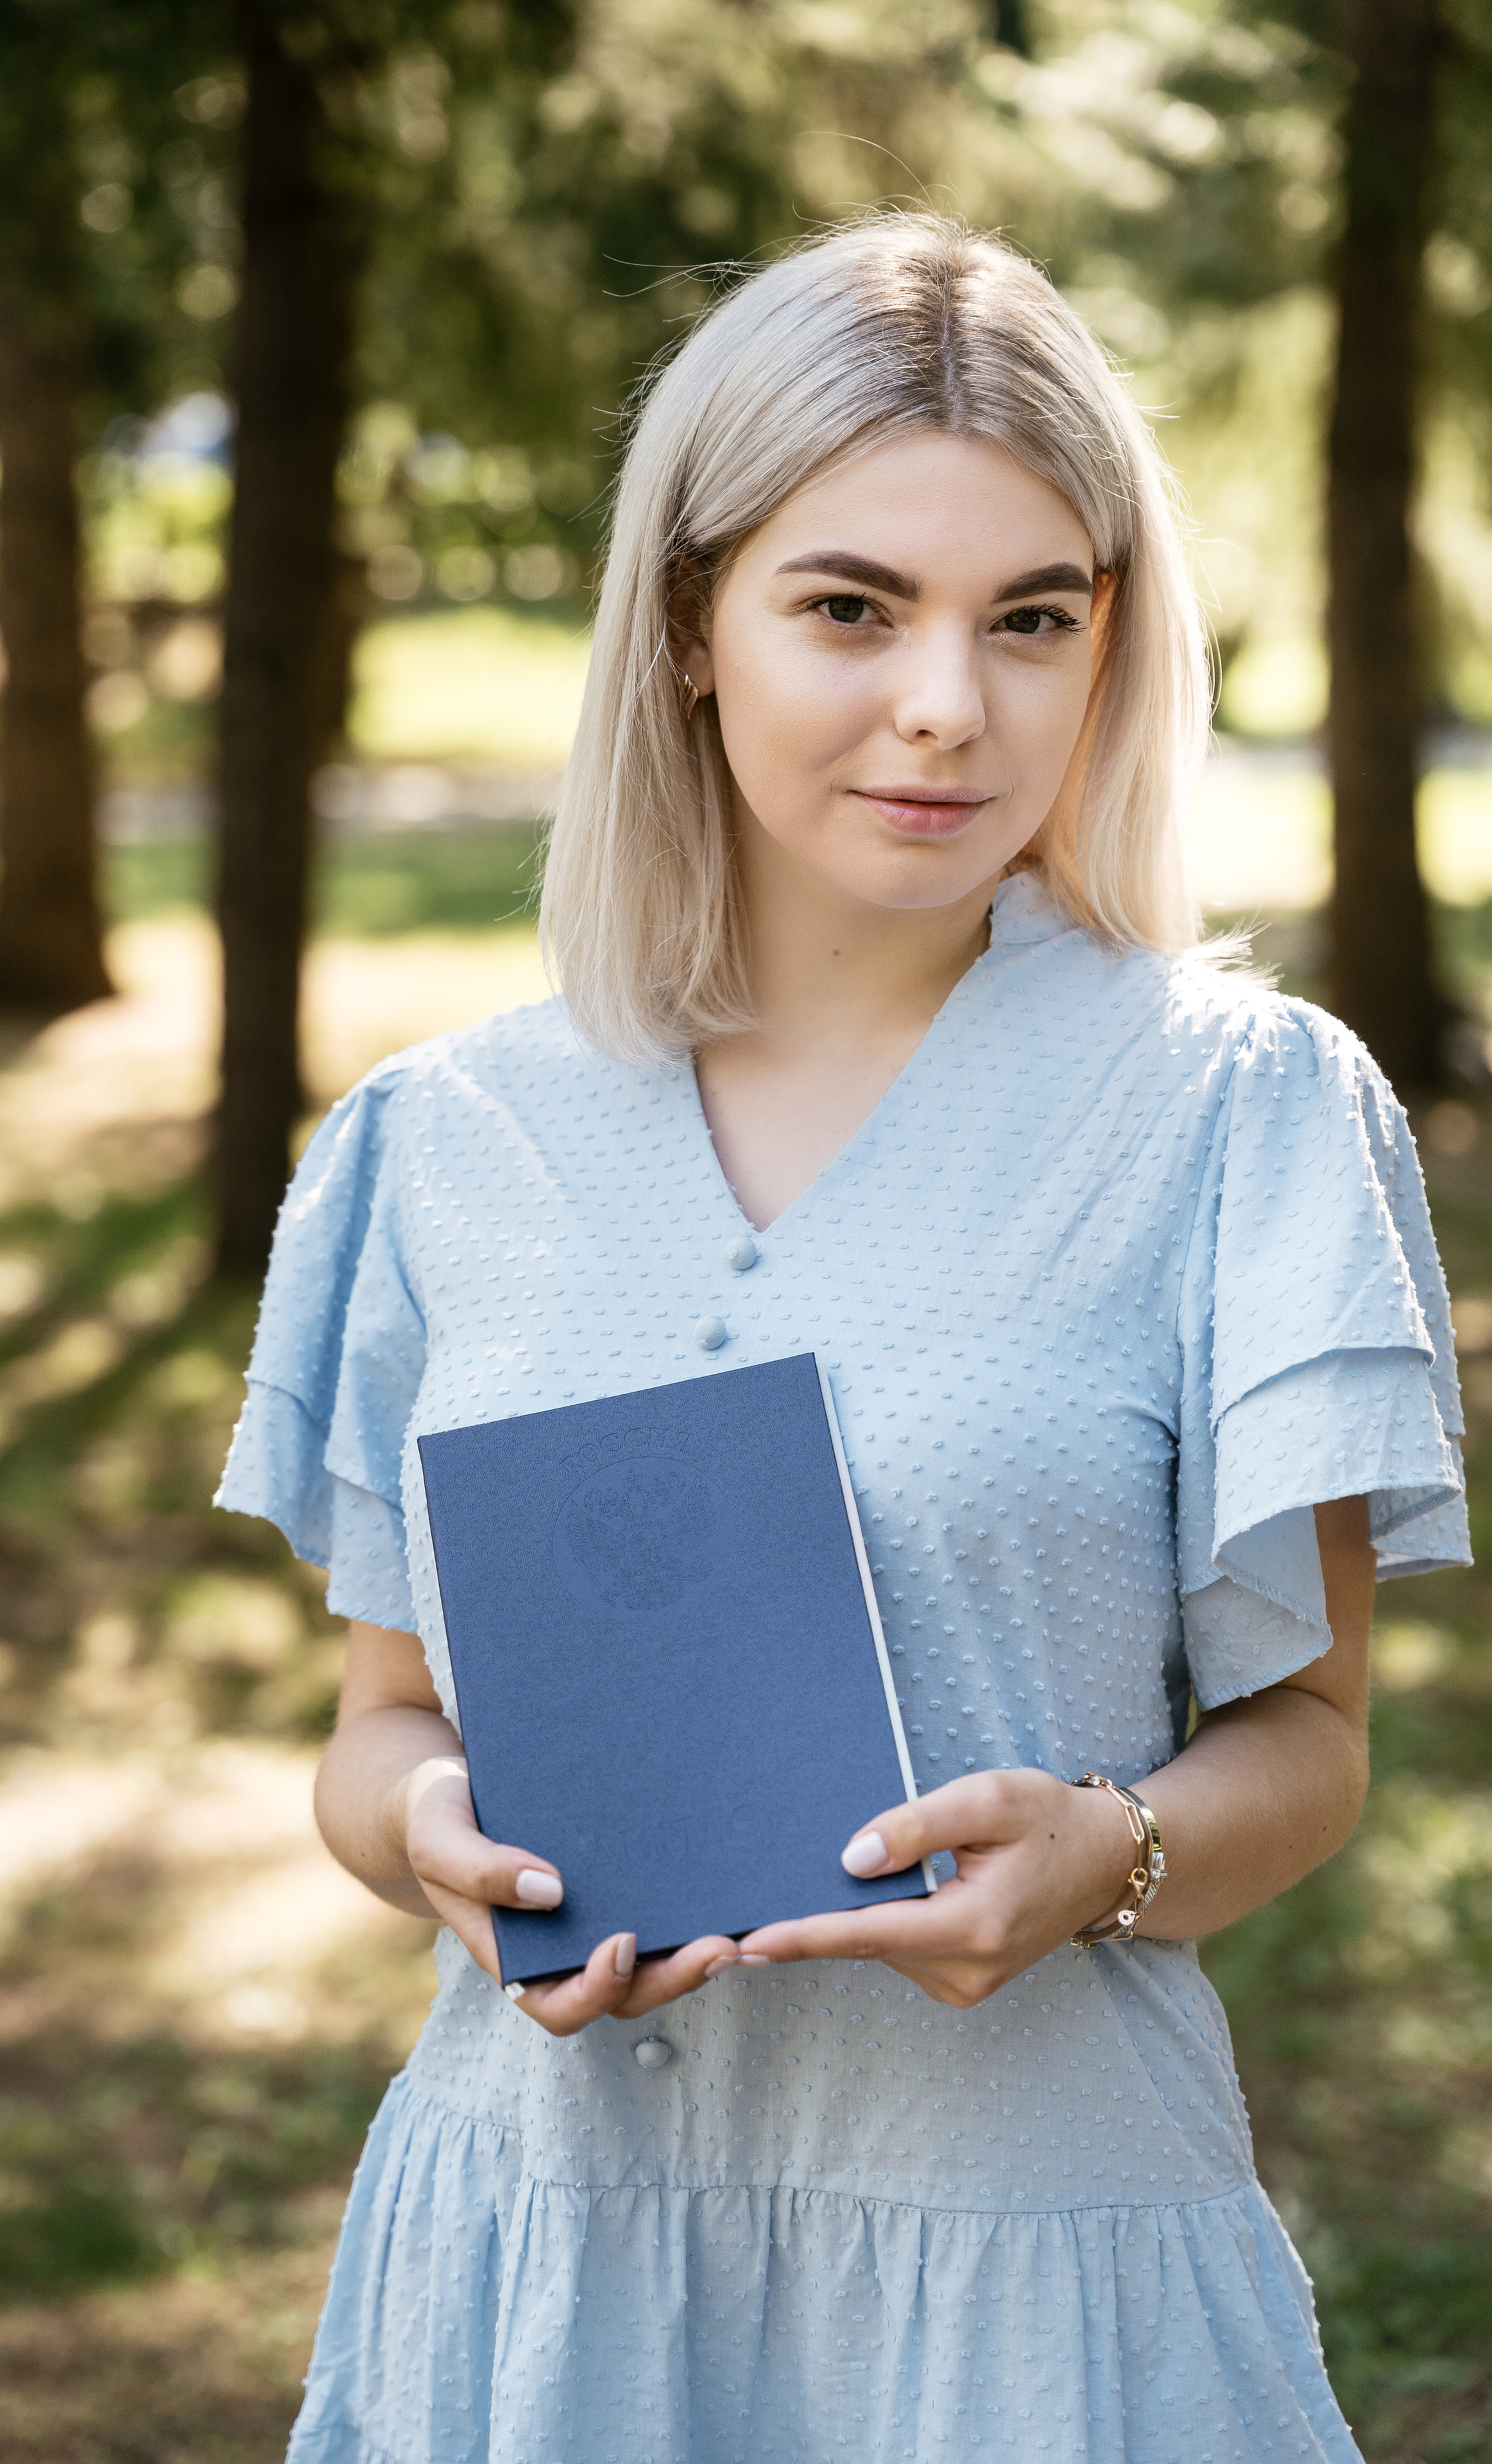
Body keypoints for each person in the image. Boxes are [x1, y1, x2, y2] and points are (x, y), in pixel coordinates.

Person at [217, 213, 1470, 2463]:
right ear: (690, 625)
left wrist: (1115, 1851)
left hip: (1033, 2280)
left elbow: (1312, 1744)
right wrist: (430, 1832)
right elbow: (379, 1722)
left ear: (1113, 647)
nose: (946, 706)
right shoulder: (444, 1139)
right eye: (849, 607)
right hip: (542, 2258)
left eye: (1033, 620)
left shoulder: (1239, 1110)